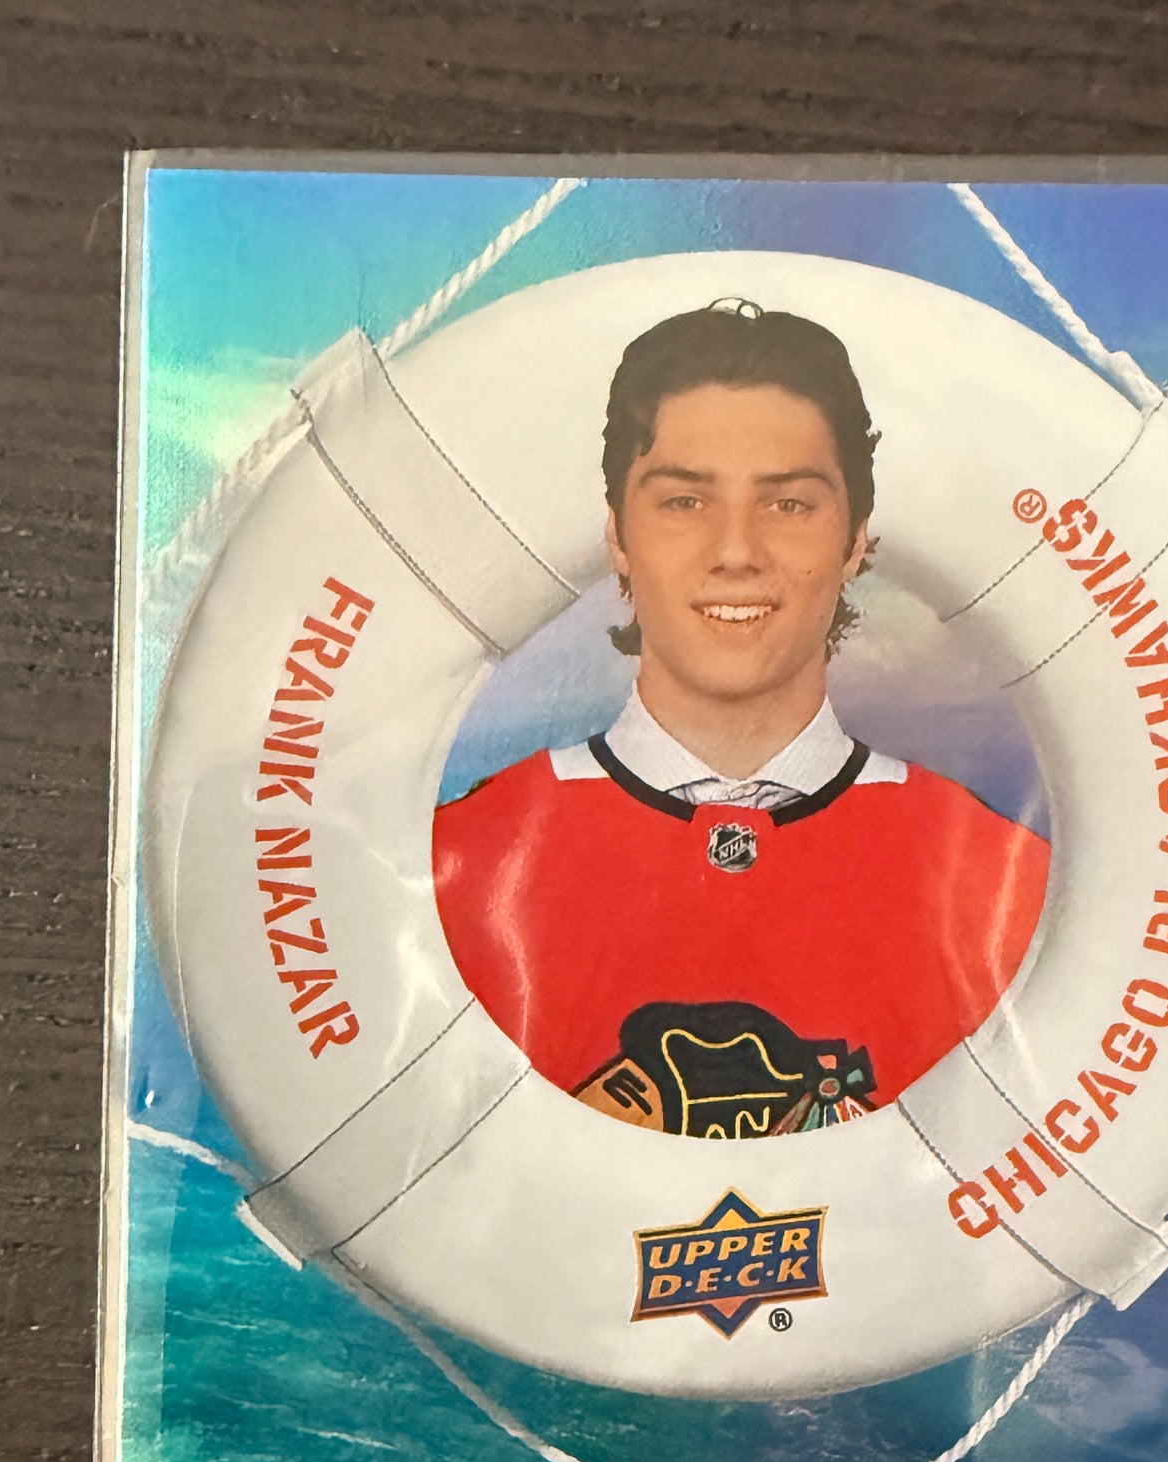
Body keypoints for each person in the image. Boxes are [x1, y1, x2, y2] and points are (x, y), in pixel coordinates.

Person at [433, 301, 1049, 1139]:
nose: (735, 551)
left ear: (855, 540)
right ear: (618, 536)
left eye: (788, 505)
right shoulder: (455, 873)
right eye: (684, 501)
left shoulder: (1007, 887)